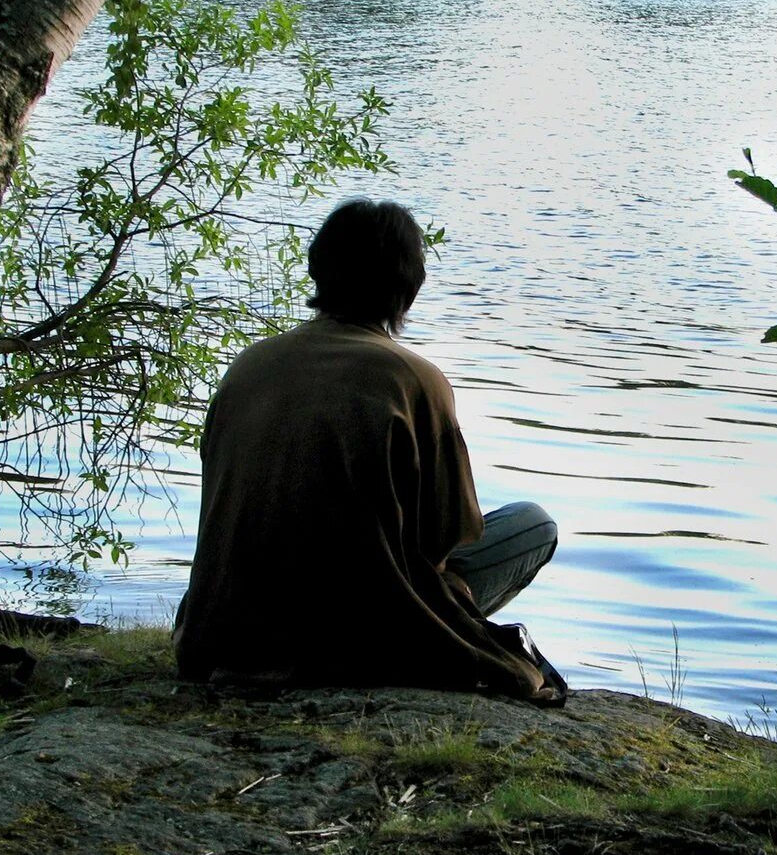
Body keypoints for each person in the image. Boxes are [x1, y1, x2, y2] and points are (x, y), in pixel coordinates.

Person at [173, 198, 564, 703]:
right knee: (534, 525)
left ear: (318, 272)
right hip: (359, 637)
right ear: (410, 288)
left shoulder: (248, 367)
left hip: (221, 632)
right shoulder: (414, 379)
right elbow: (445, 536)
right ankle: (416, 629)